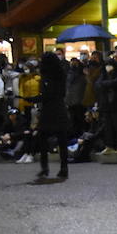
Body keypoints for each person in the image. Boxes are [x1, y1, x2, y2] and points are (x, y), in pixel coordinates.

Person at [34, 51, 71, 180]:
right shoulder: (60, 74)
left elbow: (47, 94)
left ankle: (45, 168)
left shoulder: (47, 76)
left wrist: (36, 99)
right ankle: (63, 168)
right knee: (62, 140)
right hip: (59, 108)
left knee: (43, 138)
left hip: (49, 109)